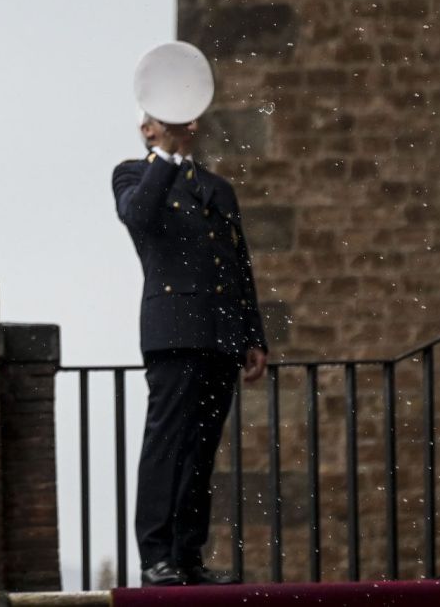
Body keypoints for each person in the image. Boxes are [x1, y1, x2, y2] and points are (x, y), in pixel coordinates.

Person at [112, 114, 268, 587]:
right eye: (164, 119)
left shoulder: (218, 188)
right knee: (166, 447)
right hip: (173, 332)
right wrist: (169, 156)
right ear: (147, 131)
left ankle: (186, 555)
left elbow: (238, 263)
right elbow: (139, 216)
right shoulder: (134, 174)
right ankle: (155, 555)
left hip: (220, 335)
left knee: (201, 450)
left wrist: (253, 334)